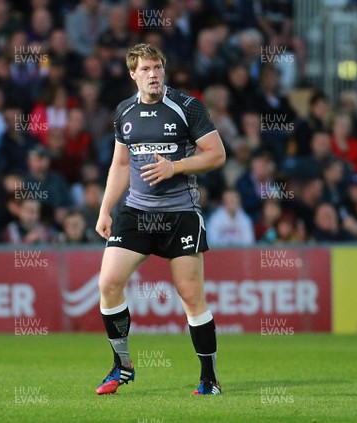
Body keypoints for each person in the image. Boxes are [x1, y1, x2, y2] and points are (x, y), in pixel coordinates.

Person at [94, 44, 225, 396]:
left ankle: (209, 379)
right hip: (136, 213)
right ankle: (122, 366)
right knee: (108, 283)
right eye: (146, 69)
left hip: (180, 213)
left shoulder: (186, 107)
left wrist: (175, 166)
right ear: (133, 74)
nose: (153, 74)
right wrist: (106, 209)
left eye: (158, 68)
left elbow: (216, 154)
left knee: (190, 295)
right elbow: (121, 164)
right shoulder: (124, 112)